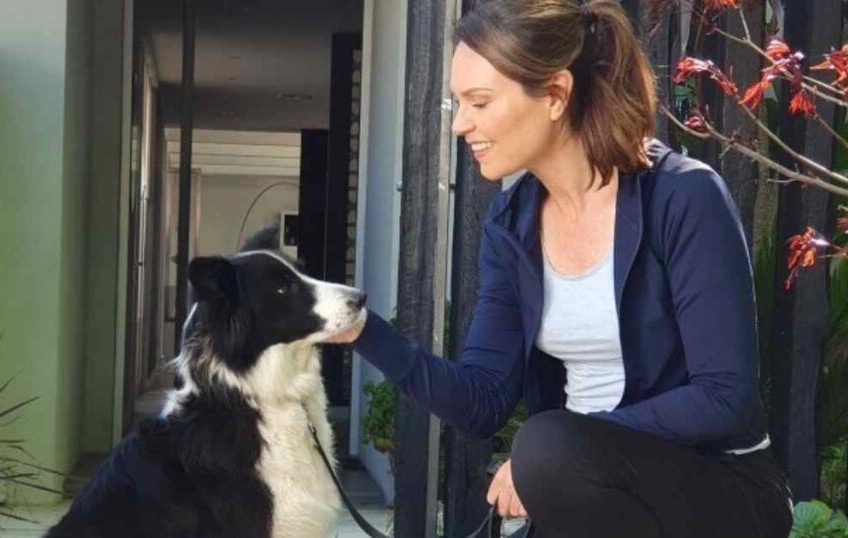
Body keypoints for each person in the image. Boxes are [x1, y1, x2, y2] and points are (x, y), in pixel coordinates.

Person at [328, 1, 793, 536]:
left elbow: (725, 398)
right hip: (582, 492)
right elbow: (482, 400)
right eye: (458, 103)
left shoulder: (683, 196)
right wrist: (362, 330)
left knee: (546, 444)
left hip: (719, 487)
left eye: (479, 102)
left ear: (555, 95)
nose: (460, 124)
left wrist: (564, 451)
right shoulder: (511, 224)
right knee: (548, 448)